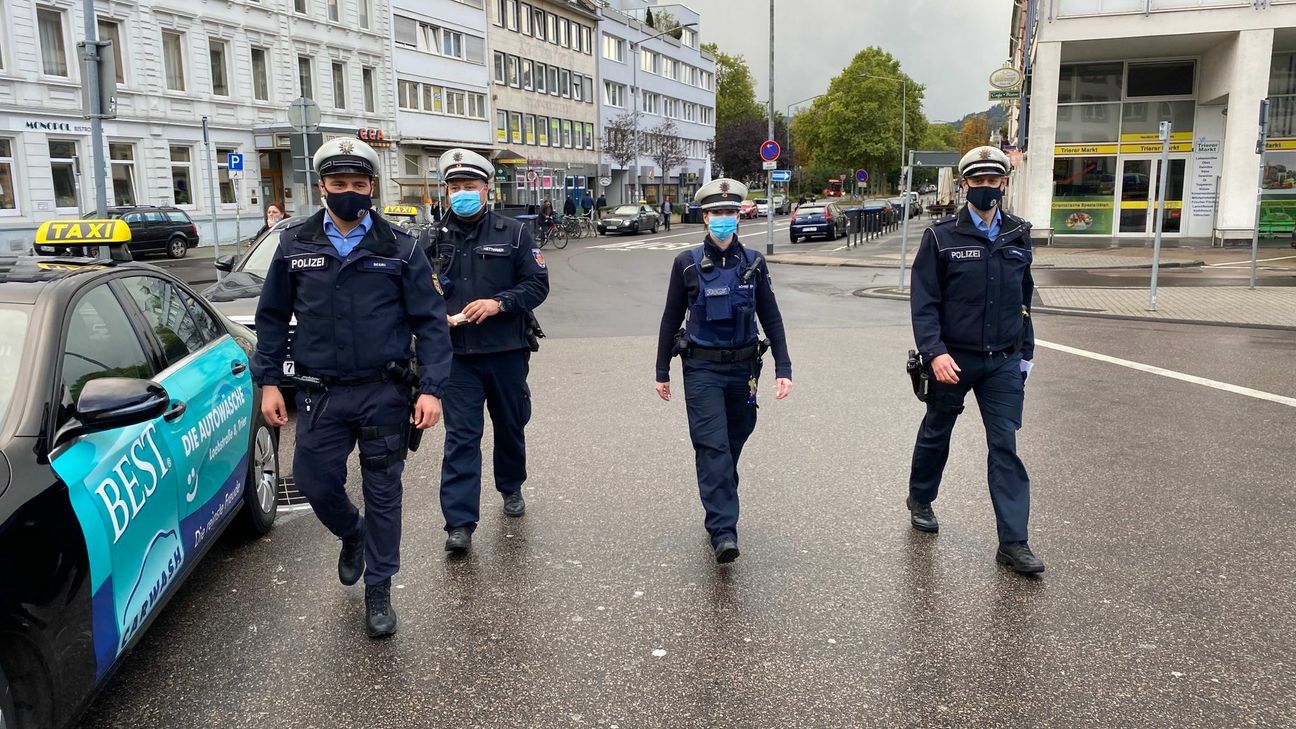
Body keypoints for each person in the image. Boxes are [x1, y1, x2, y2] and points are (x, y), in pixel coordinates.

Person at [253, 137, 452, 637]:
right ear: (322, 187)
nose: (348, 192)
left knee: (384, 491)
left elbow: (430, 324)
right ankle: (352, 533)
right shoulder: (294, 243)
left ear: (371, 188)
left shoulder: (400, 248)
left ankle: (380, 589)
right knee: (314, 480)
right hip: (321, 392)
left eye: (358, 184)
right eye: (338, 183)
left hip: (384, 391)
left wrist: (431, 388)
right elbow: (273, 318)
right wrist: (269, 382)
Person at [907, 145, 1042, 575]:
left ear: (1004, 183)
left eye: (993, 181)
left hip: (1002, 360)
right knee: (937, 431)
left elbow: (1024, 301)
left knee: (1005, 445)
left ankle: (1013, 542)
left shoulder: (1017, 233)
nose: (986, 188)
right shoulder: (941, 237)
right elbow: (924, 302)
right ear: (965, 185)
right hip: (953, 359)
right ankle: (921, 497)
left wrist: (1025, 355)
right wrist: (934, 352)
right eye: (977, 181)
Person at [654, 178, 793, 564]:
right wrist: (661, 369)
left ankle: (719, 496)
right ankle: (723, 530)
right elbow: (670, 319)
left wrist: (784, 366)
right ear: (705, 217)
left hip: (745, 370)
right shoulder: (686, 264)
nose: (724, 219)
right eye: (717, 213)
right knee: (713, 446)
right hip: (701, 370)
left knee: (734, 441)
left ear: (738, 216)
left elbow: (772, 317)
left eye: (730, 213)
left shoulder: (754, 263)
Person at [433, 148, 550, 555]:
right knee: (461, 437)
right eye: (455, 186)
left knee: (509, 425)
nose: (462, 192)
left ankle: (511, 485)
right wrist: (436, 317)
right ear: (445, 191)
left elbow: (537, 285)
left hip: (505, 350)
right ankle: (460, 523)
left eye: (470, 186)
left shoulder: (513, 233)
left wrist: (498, 303)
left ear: (486, 189)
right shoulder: (430, 239)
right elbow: (414, 293)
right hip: (457, 356)